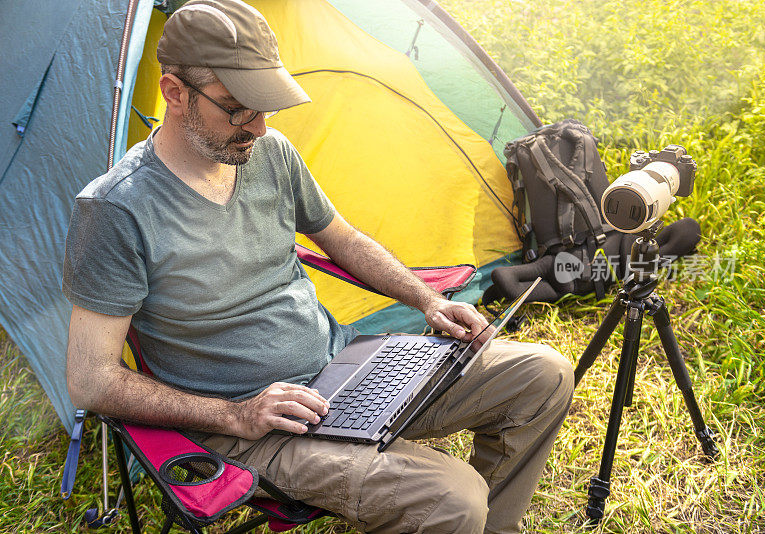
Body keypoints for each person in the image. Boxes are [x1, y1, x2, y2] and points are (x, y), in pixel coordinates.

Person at [63, 1, 574, 532]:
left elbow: (344, 239)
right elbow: (90, 379)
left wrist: (428, 300)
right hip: (251, 428)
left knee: (542, 376)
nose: (258, 129)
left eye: (267, 108)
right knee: (453, 496)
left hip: (345, 371)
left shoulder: (270, 154)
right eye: (239, 109)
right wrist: (236, 416)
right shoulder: (115, 211)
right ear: (174, 93)